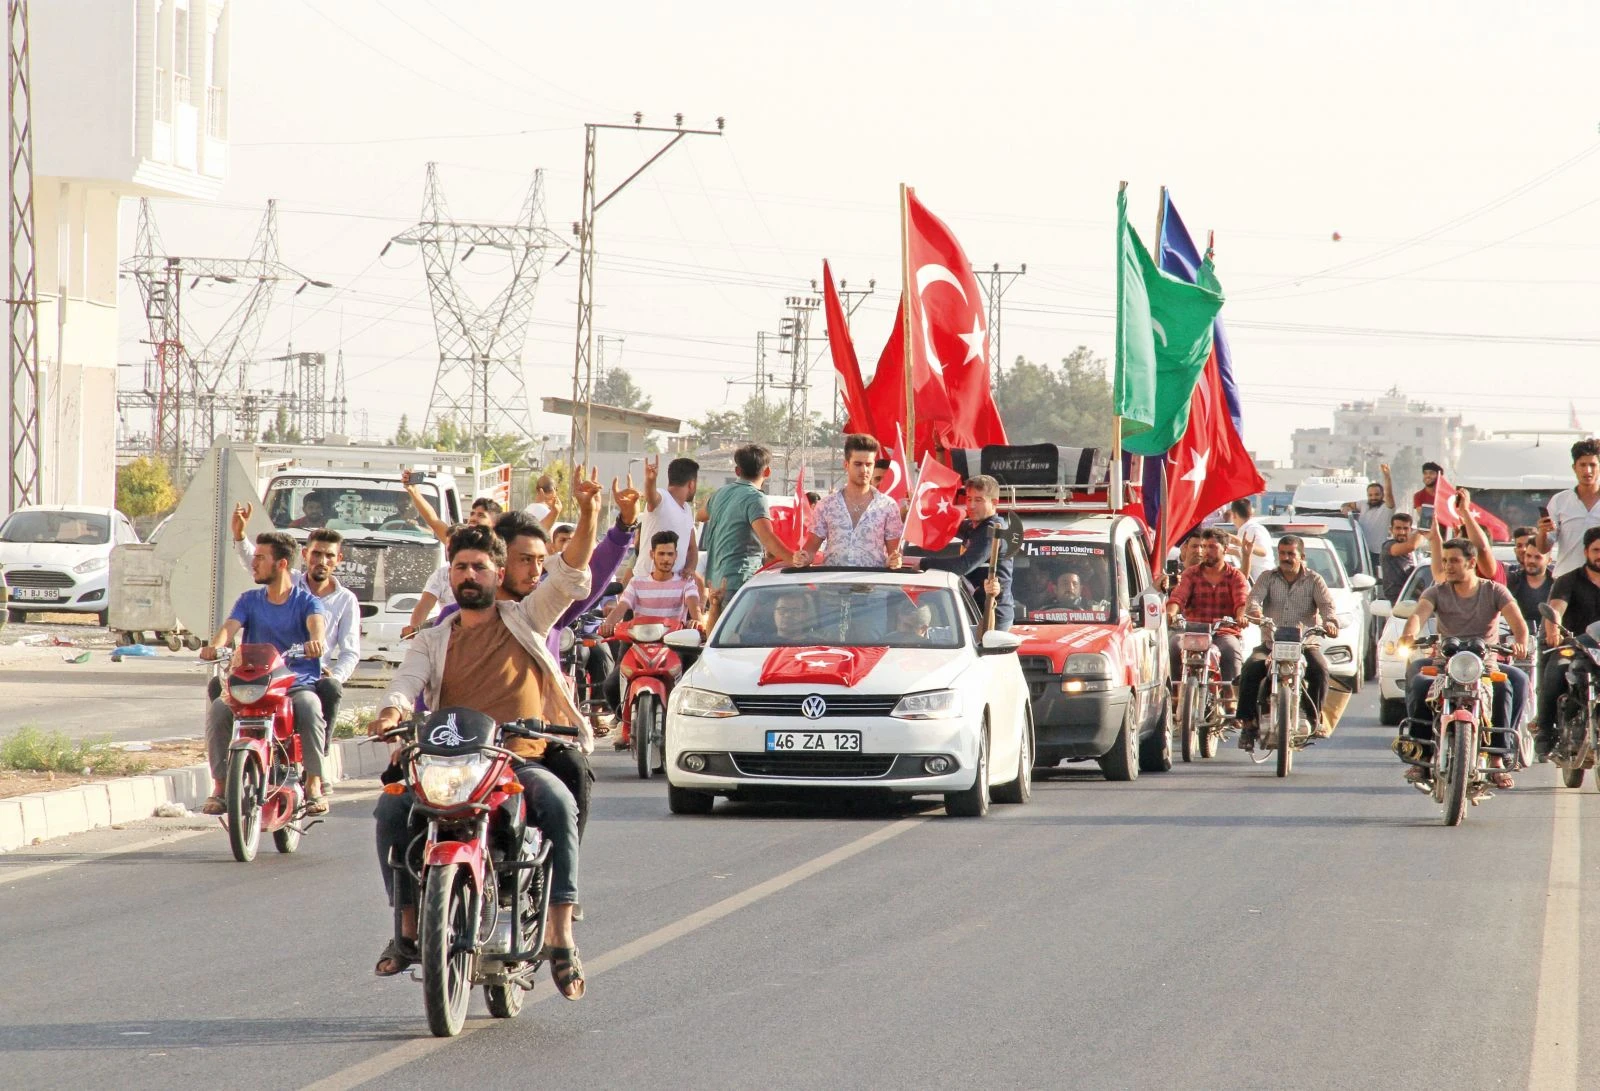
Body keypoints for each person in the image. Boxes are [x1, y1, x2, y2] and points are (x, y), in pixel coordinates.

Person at [368, 515, 593, 999]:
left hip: (513, 763)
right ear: (449, 574)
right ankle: (407, 928)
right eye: (461, 567)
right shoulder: (432, 637)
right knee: (390, 807)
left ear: (498, 574)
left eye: (480, 567)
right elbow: (406, 683)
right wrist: (391, 712)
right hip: (447, 763)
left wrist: (591, 514)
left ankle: (560, 934)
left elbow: (570, 574)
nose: (469, 576)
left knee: (558, 802)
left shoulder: (527, 617)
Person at [198, 532, 329, 815]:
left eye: (260, 558)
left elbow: (316, 625)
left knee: (310, 706)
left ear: (281, 564)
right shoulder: (249, 600)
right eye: (254, 557)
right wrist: (215, 646)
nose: (254, 563)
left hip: (293, 684)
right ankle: (220, 786)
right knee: (219, 709)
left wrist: (316, 642)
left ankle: (314, 783)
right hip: (253, 683)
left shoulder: (307, 602)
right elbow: (229, 628)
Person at [1399, 537, 1530, 789]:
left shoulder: (1494, 591)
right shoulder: (1436, 592)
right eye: (1445, 561)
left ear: (1471, 563)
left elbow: (1518, 623)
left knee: (1506, 686)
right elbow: (1418, 615)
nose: (1447, 566)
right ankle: (1421, 757)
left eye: (1454, 561)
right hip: (1445, 665)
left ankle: (1497, 757)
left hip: (1485, 666)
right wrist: (1408, 635)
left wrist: (1520, 642)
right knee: (1419, 684)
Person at [229, 504, 360, 740]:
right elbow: (257, 563)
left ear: (338, 560)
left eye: (329, 556)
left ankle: (319, 755)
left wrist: (335, 675)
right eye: (316, 554)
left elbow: (350, 651)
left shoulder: (346, 599)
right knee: (222, 693)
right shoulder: (288, 582)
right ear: (305, 555)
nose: (322, 561)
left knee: (331, 689)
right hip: (269, 671)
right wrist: (239, 535)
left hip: (313, 674)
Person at [1235, 535, 1339, 746]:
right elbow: (1253, 600)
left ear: (1302, 556)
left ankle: (1314, 719)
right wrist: (1255, 612)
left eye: (1291, 554)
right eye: (1282, 553)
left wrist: (1330, 623)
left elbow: (1327, 607)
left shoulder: (1314, 580)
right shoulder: (1267, 577)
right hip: (1271, 644)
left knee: (1320, 669)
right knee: (1250, 668)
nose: (1286, 558)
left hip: (1304, 645)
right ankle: (1248, 724)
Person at [401, 485, 505, 638]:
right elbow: (434, 521)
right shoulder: (455, 546)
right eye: (461, 566)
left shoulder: (502, 552)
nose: (473, 518)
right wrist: (414, 491)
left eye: (481, 515)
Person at [1536, 527, 1600, 760]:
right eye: (1596, 550)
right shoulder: (1568, 580)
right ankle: (1545, 731)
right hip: (1576, 647)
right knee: (1557, 669)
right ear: (1586, 552)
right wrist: (1553, 628)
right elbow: (1556, 608)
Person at [795, 434, 904, 569]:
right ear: (846, 465)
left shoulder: (888, 506)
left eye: (868, 464)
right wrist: (803, 558)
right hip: (832, 579)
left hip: (873, 581)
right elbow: (811, 548)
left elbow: (895, 553)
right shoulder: (826, 505)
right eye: (858, 464)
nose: (864, 470)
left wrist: (894, 561)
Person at [920, 474, 1014, 629]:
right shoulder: (974, 526)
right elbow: (944, 524)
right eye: (969, 499)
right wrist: (918, 506)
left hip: (993, 616)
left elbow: (963, 565)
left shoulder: (992, 530)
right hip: (973, 611)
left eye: (979, 500)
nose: (971, 505)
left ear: (994, 502)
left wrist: (923, 563)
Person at [703, 443, 795, 599]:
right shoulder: (755, 497)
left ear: (737, 471)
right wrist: (796, 561)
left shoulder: (720, 493)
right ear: (767, 471)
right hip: (739, 581)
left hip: (716, 582)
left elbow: (701, 515)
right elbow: (768, 539)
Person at [1165, 528, 1248, 692]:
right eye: (1203, 546)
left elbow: (1242, 601)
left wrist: (1241, 617)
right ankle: (1174, 695)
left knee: (1231, 649)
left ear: (1225, 549)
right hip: (1193, 631)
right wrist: (1170, 613)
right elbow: (1178, 597)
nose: (1205, 551)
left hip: (1223, 632)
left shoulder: (1236, 576)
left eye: (1212, 547)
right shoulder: (1190, 574)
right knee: (1174, 644)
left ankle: (1231, 699)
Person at [601, 531, 702, 636]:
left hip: (674, 642)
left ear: (675, 555)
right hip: (640, 641)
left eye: (670, 554)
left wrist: (697, 621)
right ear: (652, 554)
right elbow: (621, 607)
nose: (666, 559)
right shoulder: (636, 583)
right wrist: (608, 624)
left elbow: (694, 606)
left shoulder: (686, 582)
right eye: (661, 554)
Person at [1536, 438, 1600, 578]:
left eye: (1592, 465)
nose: (1588, 470)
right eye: (1582, 465)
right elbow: (1543, 548)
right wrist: (1543, 532)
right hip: (1567, 580)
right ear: (1574, 468)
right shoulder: (1560, 501)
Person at [633, 456, 698, 579]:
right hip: (646, 583)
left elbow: (692, 548)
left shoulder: (687, 510)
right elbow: (651, 497)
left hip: (675, 585)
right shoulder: (662, 498)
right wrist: (650, 480)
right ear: (692, 484)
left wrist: (690, 568)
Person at [1344, 464, 1396, 571]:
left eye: (1377, 494)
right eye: (1370, 495)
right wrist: (1344, 508)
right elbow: (1346, 504)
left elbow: (1389, 494)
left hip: (1377, 554)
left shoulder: (1387, 508)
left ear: (1382, 495)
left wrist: (1387, 477)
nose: (1373, 497)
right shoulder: (1363, 504)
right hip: (1359, 552)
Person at [1380, 511, 1425, 601]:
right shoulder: (1388, 546)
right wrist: (1423, 528)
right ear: (1391, 530)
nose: (1402, 532)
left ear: (1411, 530)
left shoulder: (1416, 552)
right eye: (1398, 528)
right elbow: (1411, 546)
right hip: (1397, 600)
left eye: (1405, 528)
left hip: (1414, 597)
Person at [1227, 499, 1274, 584]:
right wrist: (1227, 550)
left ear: (1234, 515)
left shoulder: (1253, 529)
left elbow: (1263, 552)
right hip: (1257, 577)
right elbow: (1247, 553)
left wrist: (1241, 543)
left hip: (1262, 578)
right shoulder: (1247, 529)